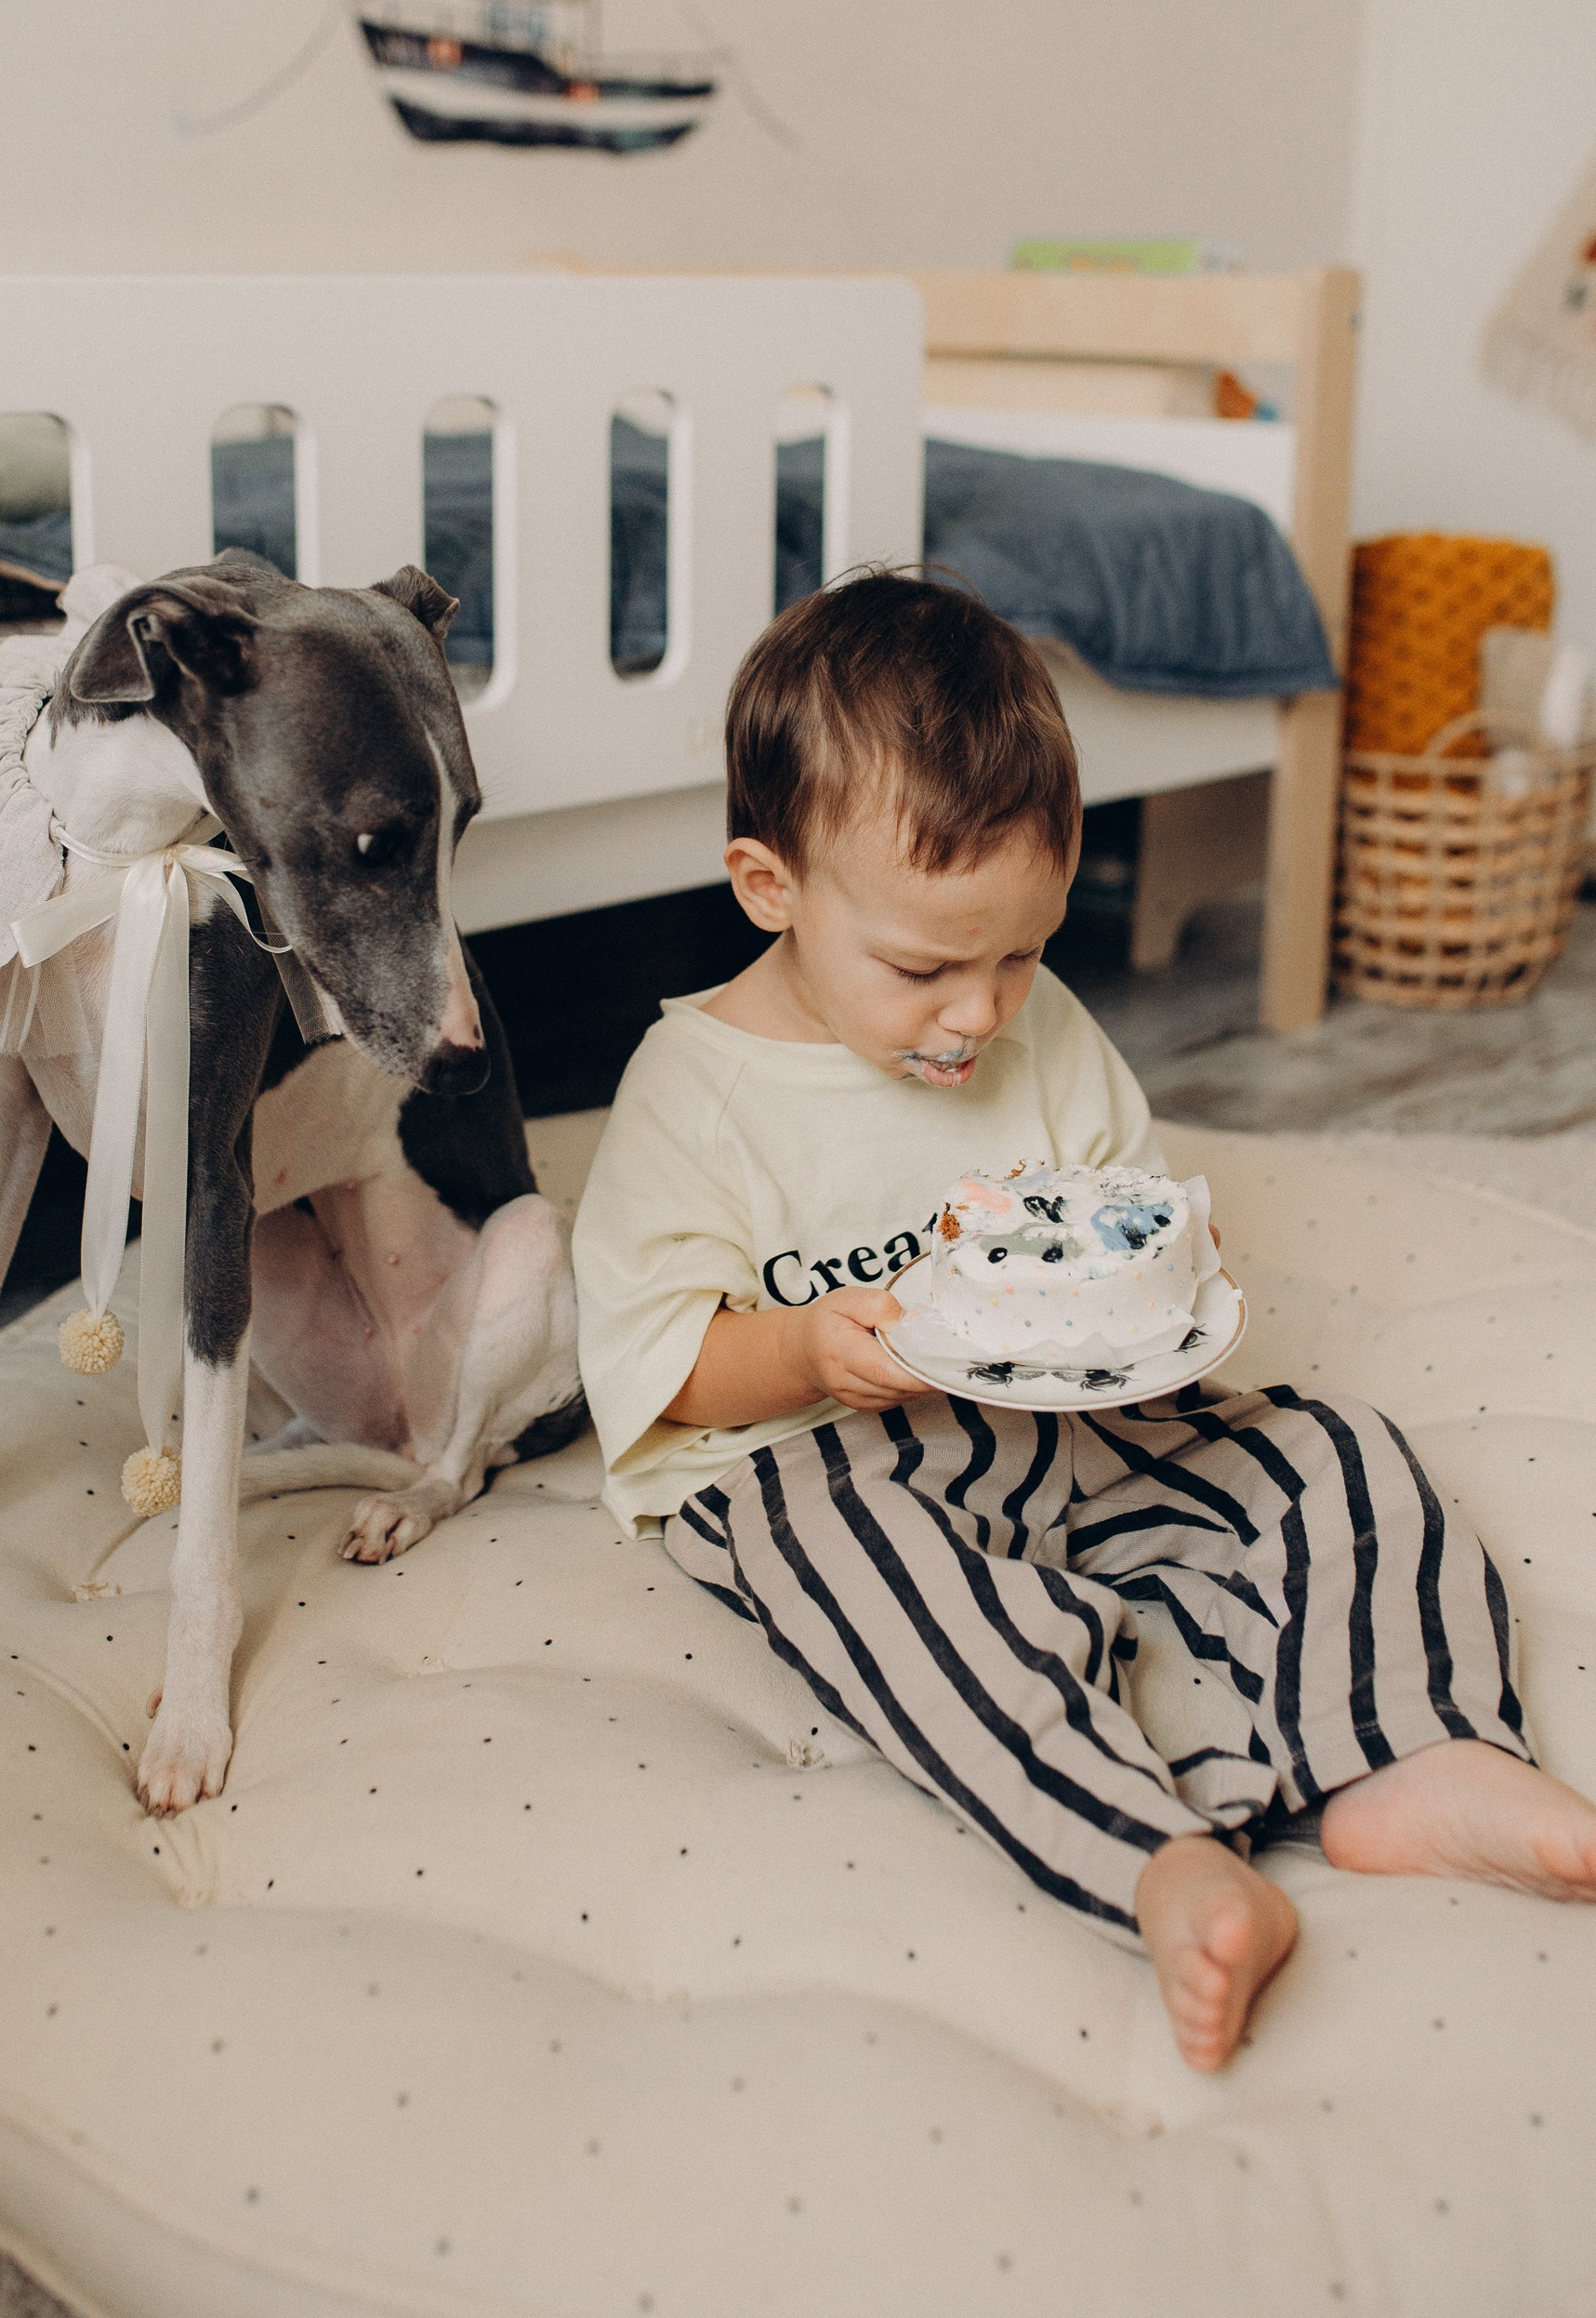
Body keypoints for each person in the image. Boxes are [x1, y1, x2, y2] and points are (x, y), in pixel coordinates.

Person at [572, 571, 1596, 2072]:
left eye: (1023, 953)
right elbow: (660, 1376)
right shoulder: (694, 1093)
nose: (982, 1014)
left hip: (1068, 1420)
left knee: (1327, 1449)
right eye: (924, 967)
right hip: (824, 1459)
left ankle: (1410, 1748)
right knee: (874, 1582)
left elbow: (1118, 1194)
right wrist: (801, 1351)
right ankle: (1152, 1856)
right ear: (768, 887)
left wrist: (1157, 1265)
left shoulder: (1030, 1024)